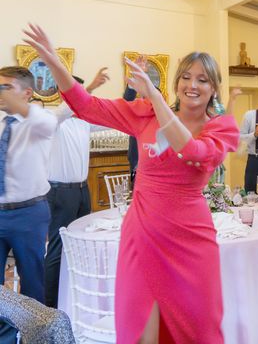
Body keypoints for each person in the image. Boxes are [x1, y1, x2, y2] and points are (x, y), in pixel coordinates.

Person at [24, 23, 239, 343]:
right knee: (141, 328)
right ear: (177, 81)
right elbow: (86, 106)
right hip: (143, 235)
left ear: (214, 89)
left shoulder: (222, 127)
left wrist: (155, 97)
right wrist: (55, 62)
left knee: (197, 327)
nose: (192, 85)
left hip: (191, 239)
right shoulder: (145, 113)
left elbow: (194, 152)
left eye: (202, 79)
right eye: (186, 77)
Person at [44, 69, 110, 308]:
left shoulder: (83, 122)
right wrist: (90, 87)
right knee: (58, 249)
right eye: (77, 94)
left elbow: (110, 122)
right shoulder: (52, 119)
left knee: (80, 244)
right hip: (60, 193)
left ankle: (73, 296)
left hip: (82, 190)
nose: (82, 98)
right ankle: (50, 306)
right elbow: (66, 109)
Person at [0, 66, 56, 309]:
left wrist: (15, 103)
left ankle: (34, 335)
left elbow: (46, 123)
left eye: (6, 87)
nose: (0, 92)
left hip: (29, 214)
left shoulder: (40, 121)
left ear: (27, 93)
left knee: (33, 284)